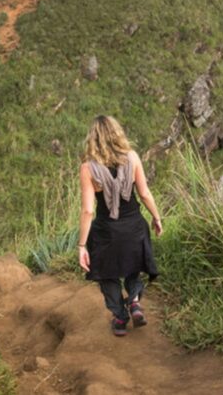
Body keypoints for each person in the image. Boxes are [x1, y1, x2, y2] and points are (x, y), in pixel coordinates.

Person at [78, 115, 162, 336]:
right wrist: (156, 217)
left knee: (107, 275)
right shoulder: (132, 157)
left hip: (106, 231)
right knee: (133, 266)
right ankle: (134, 302)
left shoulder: (88, 169)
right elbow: (144, 193)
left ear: (93, 139)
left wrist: (82, 246)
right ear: (117, 134)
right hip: (134, 226)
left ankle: (120, 317)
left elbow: (88, 210)